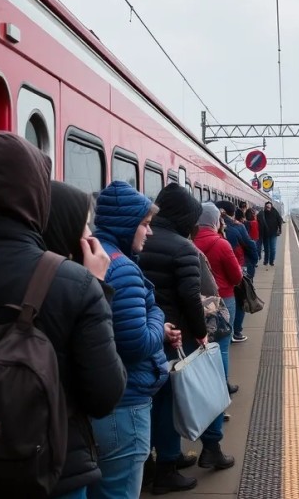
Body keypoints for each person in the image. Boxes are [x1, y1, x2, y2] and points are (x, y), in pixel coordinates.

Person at [0, 132, 127, 499]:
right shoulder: (76, 283)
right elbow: (105, 395)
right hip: (51, 474)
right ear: (38, 195)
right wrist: (98, 286)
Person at [89, 180, 179, 499]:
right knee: (120, 491)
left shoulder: (92, 253)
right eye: (145, 224)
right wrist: (157, 317)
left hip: (98, 402)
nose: (149, 232)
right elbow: (137, 343)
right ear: (127, 225)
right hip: (125, 404)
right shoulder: (122, 268)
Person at [139, 184, 228, 493]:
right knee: (168, 401)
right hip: (177, 336)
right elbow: (191, 297)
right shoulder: (183, 248)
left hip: (148, 332)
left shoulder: (141, 240)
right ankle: (166, 468)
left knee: (147, 399)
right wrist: (202, 334)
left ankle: (156, 461)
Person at [194, 203, 243, 397]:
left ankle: (204, 389)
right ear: (216, 220)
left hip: (196, 301)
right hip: (222, 299)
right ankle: (222, 387)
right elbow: (236, 277)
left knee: (200, 346)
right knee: (222, 346)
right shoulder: (222, 244)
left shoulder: (188, 241)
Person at [214, 201, 256, 344]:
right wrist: (253, 262)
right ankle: (235, 332)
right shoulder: (237, 228)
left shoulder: (200, 232)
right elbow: (250, 245)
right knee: (240, 301)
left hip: (211, 282)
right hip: (235, 271)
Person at [256, 201, 283, 267]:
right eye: (267, 207)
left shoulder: (275, 212)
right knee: (266, 248)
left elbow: (280, 220)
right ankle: (266, 261)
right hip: (265, 233)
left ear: (271, 206)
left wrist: (280, 229)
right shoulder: (262, 213)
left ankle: (271, 261)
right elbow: (258, 220)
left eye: (269, 207)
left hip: (273, 233)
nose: (268, 208)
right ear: (265, 207)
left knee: (272, 248)